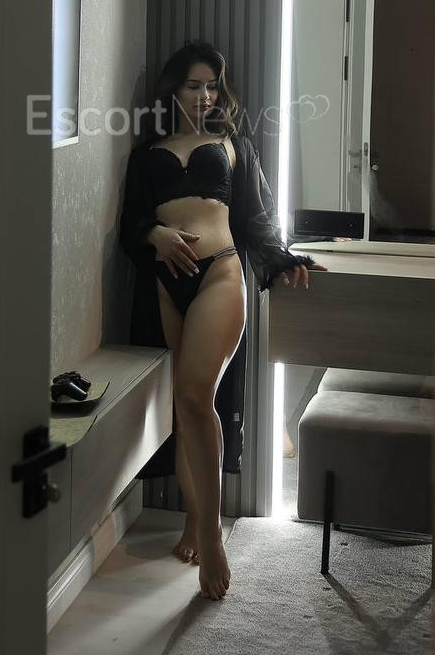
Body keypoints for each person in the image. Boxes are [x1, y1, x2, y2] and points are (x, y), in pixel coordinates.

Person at [118, 41, 328, 601]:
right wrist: (155, 234)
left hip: (219, 272)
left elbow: (256, 217)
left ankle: (211, 536)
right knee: (185, 409)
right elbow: (130, 225)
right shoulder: (146, 154)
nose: (205, 96)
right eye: (194, 85)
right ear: (173, 88)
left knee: (194, 396)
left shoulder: (233, 144)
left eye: (212, 86)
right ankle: (195, 517)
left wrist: (283, 259)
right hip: (165, 282)